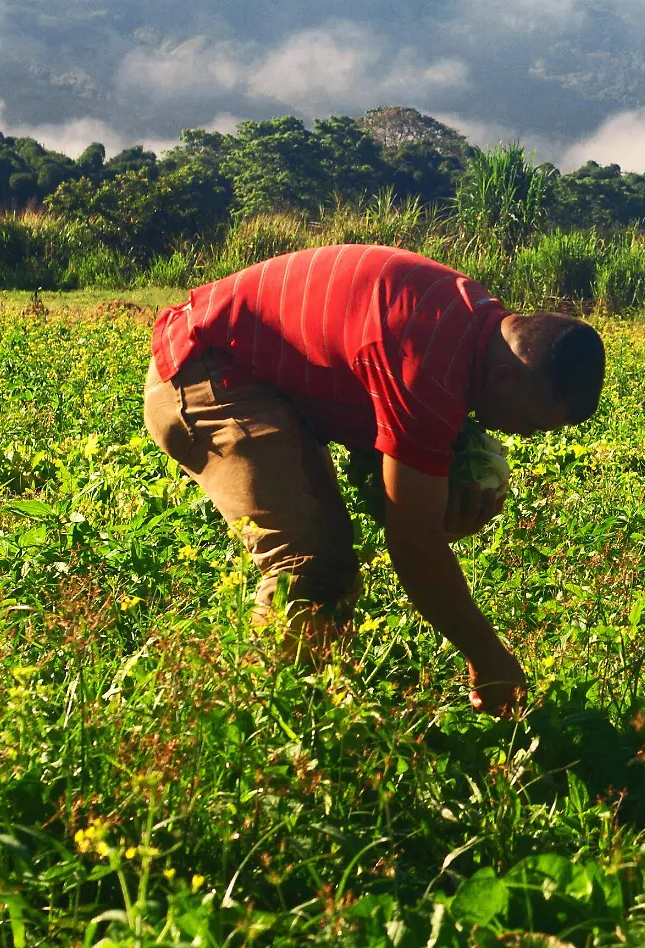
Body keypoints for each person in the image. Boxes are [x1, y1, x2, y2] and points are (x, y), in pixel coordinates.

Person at [141, 244, 604, 717]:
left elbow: (413, 522)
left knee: (327, 564)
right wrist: (489, 658)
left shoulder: (474, 323)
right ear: (506, 376)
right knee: (310, 564)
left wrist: (434, 516)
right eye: (533, 421)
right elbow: (413, 545)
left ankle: (316, 715)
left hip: (254, 373)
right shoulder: (428, 364)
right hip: (203, 367)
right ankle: (251, 727)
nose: (524, 435)